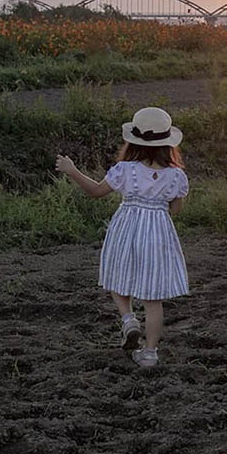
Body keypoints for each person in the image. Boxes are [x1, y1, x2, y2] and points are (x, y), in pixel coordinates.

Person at [55, 107, 189, 368]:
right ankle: (150, 353)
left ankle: (128, 320)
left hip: (126, 226)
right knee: (153, 298)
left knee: (117, 276)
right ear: (167, 144)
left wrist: (72, 171)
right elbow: (176, 210)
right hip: (158, 231)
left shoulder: (125, 170)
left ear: (134, 142)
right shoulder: (176, 175)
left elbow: (96, 191)